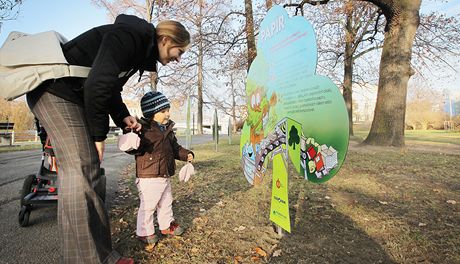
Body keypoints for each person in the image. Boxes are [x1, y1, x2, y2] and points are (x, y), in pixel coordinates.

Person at [25, 14, 190, 264]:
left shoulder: (138, 48)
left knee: (89, 170)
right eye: (180, 51)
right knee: (81, 169)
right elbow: (97, 84)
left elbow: (109, 87)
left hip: (72, 95)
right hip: (54, 91)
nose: (178, 58)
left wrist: (123, 116)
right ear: (166, 39)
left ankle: (102, 255)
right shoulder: (130, 36)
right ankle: (86, 259)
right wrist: (98, 135)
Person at [127, 91, 194, 246]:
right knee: (149, 204)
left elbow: (175, 148)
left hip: (164, 173)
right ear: (151, 113)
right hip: (148, 175)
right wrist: (131, 141)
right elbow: (134, 147)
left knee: (166, 201)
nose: (167, 114)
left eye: (168, 110)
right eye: (163, 111)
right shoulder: (142, 129)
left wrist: (186, 155)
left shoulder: (168, 130)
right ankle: (144, 232)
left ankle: (166, 225)